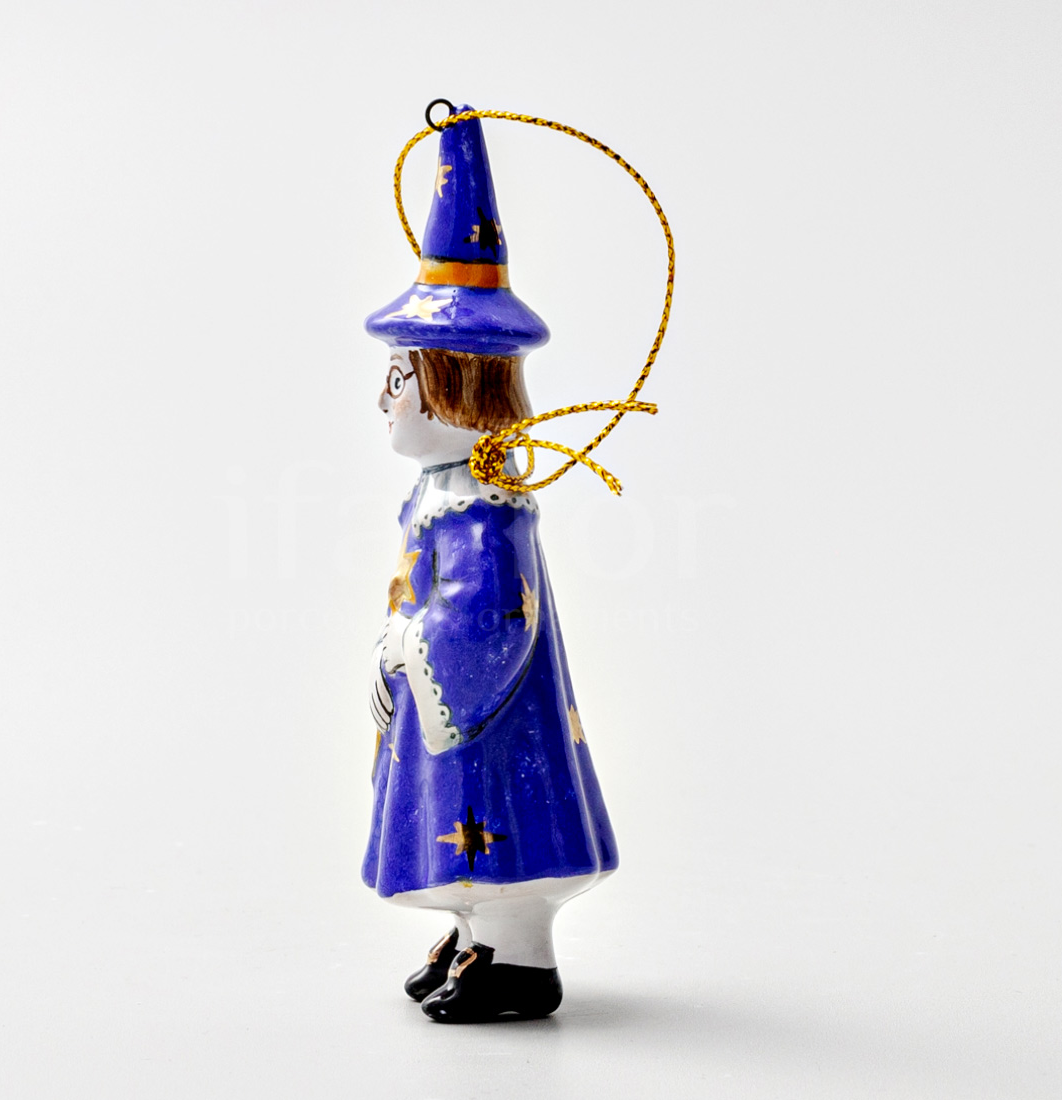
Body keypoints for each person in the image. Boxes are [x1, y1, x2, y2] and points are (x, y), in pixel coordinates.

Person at [361, 108, 618, 1023]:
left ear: (453, 385)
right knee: (455, 822)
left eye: (401, 376)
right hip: (448, 708)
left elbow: (486, 622)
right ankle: (474, 935)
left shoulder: (484, 510)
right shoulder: (445, 491)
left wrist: (406, 645)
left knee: (491, 824)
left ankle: (514, 956)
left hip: (488, 717)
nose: (384, 398)